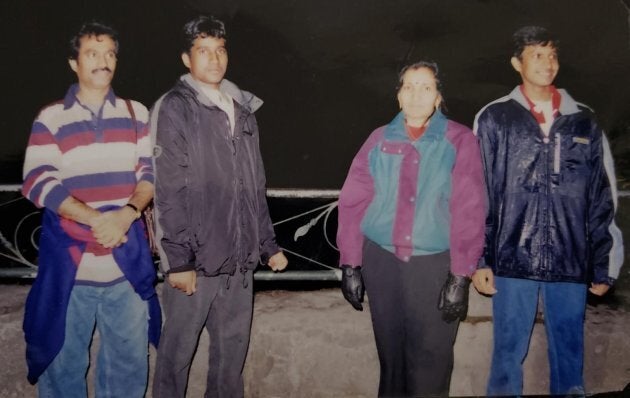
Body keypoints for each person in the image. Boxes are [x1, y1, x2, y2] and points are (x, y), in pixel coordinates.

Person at [472, 25, 624, 396]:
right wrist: (480, 259)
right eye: (537, 54)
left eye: (552, 54)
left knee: (570, 357)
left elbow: (602, 197)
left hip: (571, 259)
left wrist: (604, 263)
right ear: (516, 63)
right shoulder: (494, 118)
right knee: (507, 356)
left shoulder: (584, 120)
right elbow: (478, 195)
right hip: (512, 259)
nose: (547, 62)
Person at [150, 15, 288, 398]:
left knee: (231, 363)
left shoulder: (241, 108)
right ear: (186, 58)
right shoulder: (176, 107)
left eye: (220, 50)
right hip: (196, 260)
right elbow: (169, 188)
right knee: (175, 360)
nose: (214, 59)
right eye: (203, 51)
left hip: (240, 262)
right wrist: (178, 260)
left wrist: (267, 245)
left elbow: (254, 183)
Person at [21, 21, 161, 397]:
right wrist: (98, 219)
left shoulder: (137, 113)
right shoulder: (51, 117)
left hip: (125, 268)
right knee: (63, 370)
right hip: (72, 270)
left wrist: (127, 213)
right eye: (93, 54)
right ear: (74, 62)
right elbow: (38, 182)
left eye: (110, 54)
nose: (104, 62)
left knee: (128, 370)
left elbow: (148, 176)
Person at [337, 60, 485, 397]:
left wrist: (460, 276)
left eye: (426, 88)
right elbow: (352, 202)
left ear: (438, 98)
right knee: (391, 358)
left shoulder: (460, 140)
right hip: (382, 262)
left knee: (431, 360)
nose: (417, 95)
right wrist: (350, 263)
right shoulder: (378, 138)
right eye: (409, 87)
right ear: (398, 96)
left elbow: (469, 209)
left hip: (433, 266)